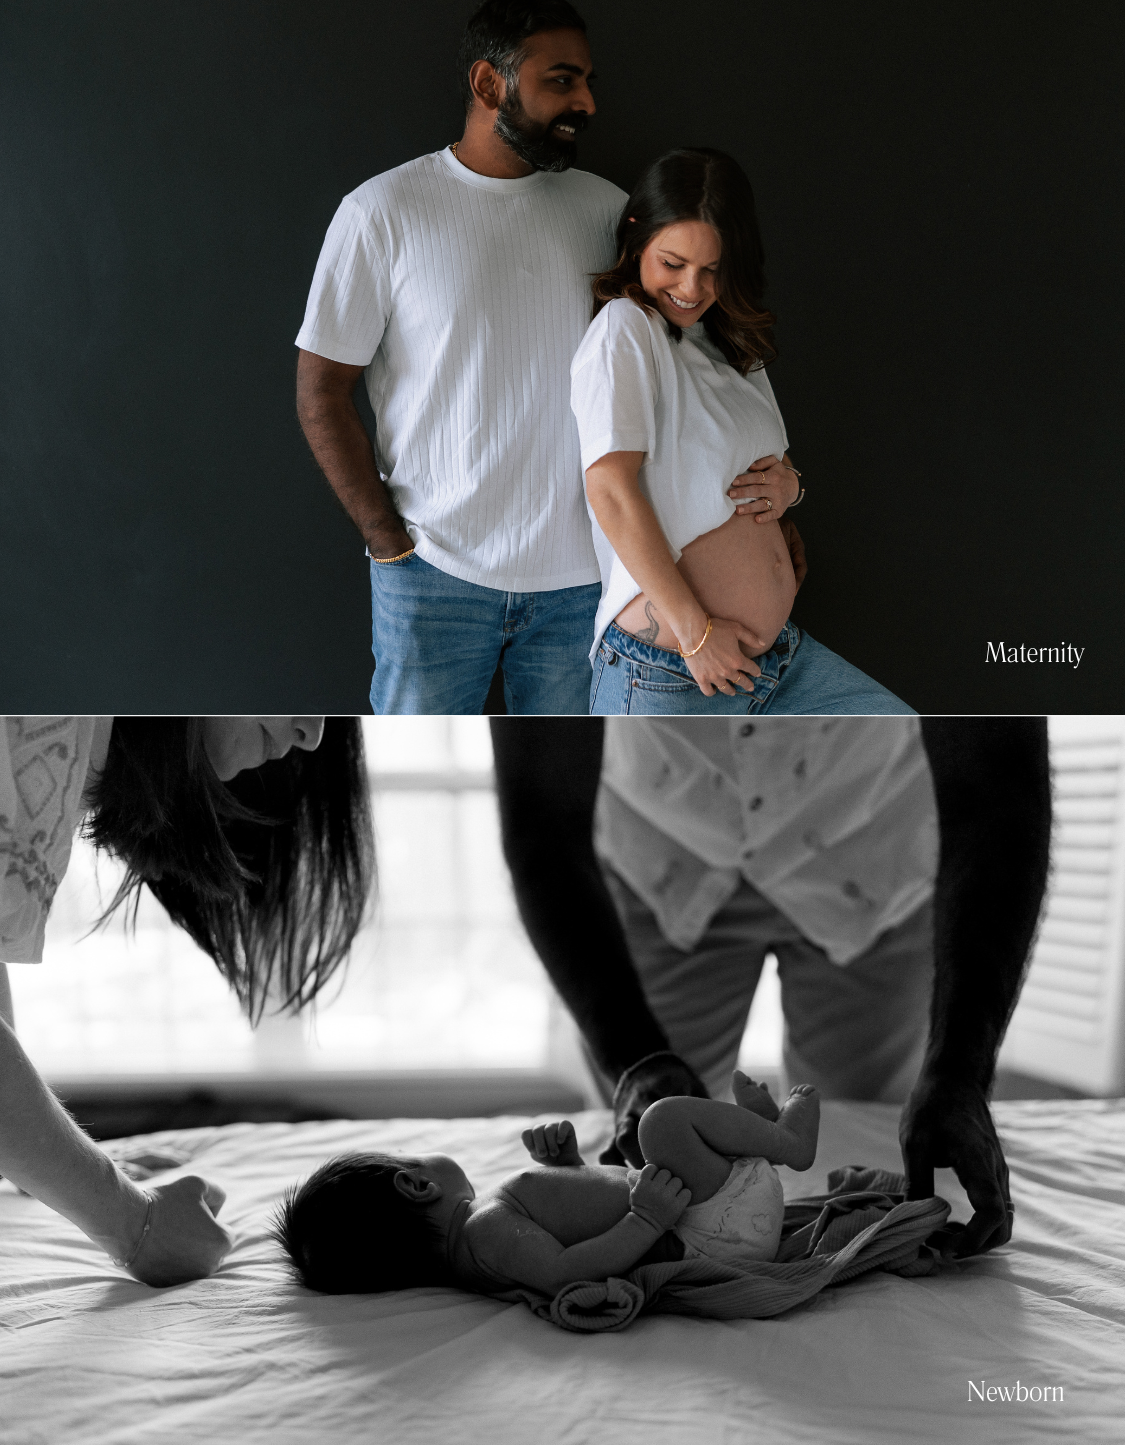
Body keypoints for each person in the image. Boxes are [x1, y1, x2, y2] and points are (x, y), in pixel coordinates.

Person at [294, 0, 792, 715]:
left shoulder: (608, 211)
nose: (585, 102)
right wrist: (386, 542)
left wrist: (779, 500)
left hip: (588, 581)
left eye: (588, 81)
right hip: (433, 575)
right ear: (488, 84)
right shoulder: (383, 212)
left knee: (563, 783)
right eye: (561, 80)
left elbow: (694, 365)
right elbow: (320, 390)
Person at [491, 715, 1052, 1258]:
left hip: (869, 854)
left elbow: (997, 785)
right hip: (663, 859)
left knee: (877, 1144)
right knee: (641, 1142)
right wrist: (634, 1059)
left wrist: (960, 1071)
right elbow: (542, 813)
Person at [0, 716, 373, 1286]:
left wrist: (41, 1164)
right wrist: (133, 1225)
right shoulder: (53, 728)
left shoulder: (64, 743)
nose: (312, 734)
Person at [573, 147, 912, 714]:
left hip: (770, 658)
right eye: (672, 262)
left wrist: (791, 489)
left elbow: (762, 466)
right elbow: (609, 487)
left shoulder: (731, 344)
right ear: (636, 238)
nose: (691, 287)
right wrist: (696, 635)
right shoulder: (626, 328)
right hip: (675, 670)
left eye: (712, 269)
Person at [273, 1073, 821, 1296]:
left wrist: (568, 1166)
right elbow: (565, 1270)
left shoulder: (484, 1233)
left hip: (712, 1212)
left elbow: (578, 1221)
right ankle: (784, 1144)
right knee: (660, 1124)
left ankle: (757, 1139)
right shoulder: (486, 1234)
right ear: (415, 1185)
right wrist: (646, 1220)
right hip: (713, 1229)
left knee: (660, 1142)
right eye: (412, 1157)